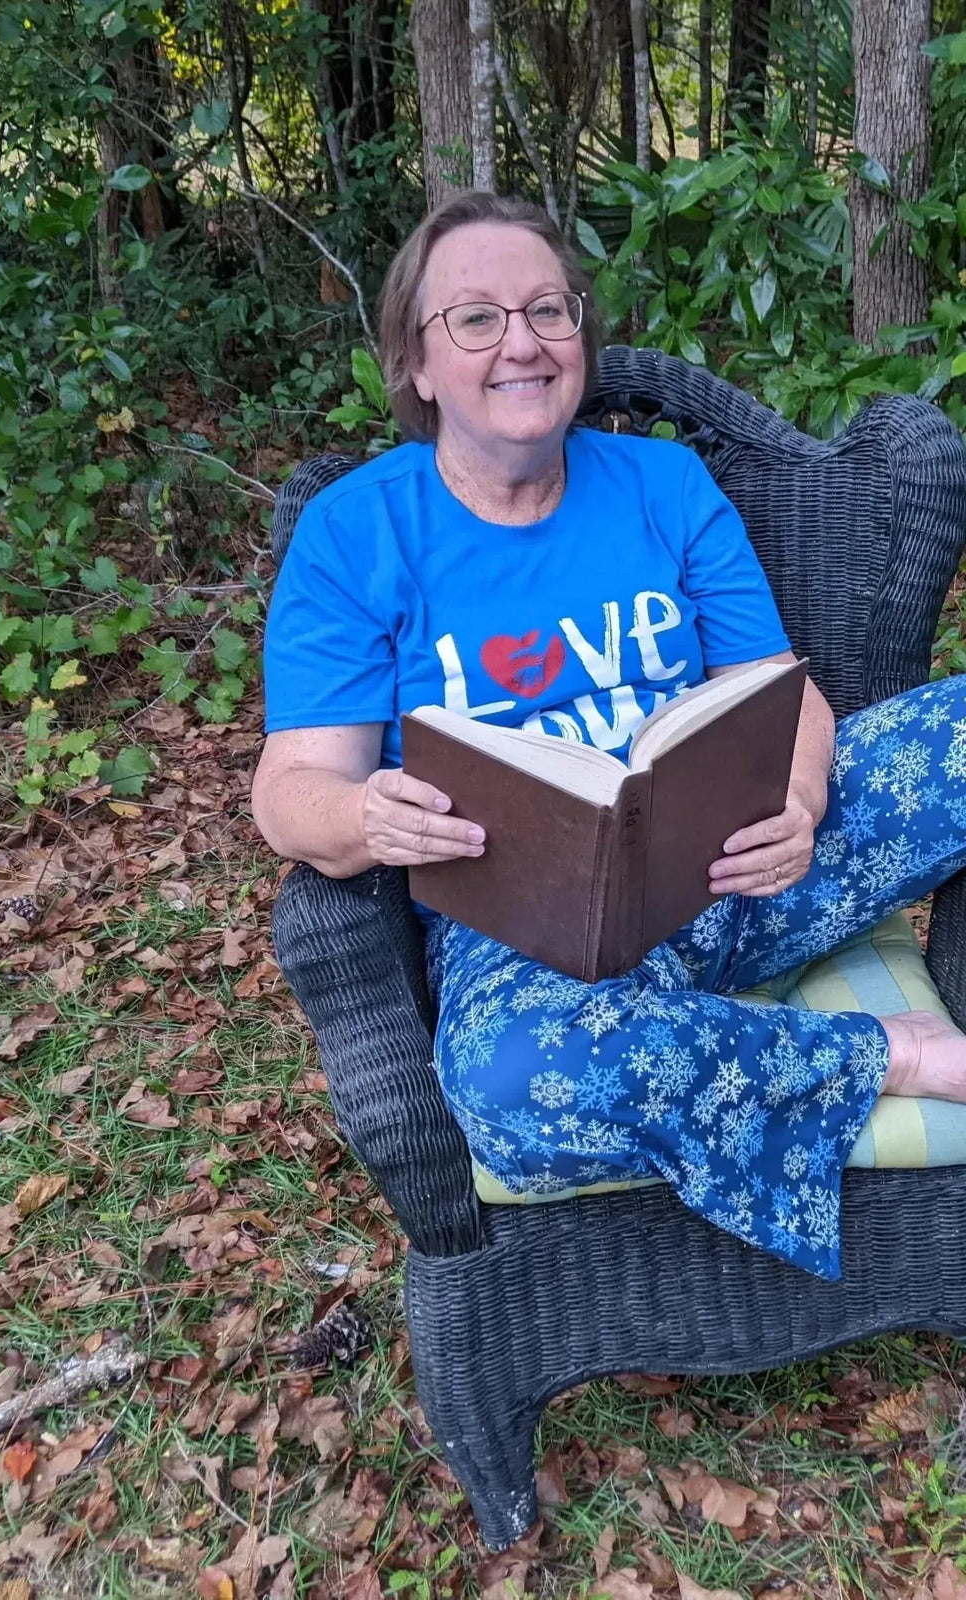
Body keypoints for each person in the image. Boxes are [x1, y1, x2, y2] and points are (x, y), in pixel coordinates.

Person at [253, 188, 966, 1281]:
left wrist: (801, 800)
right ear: (418, 363)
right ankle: (884, 1055)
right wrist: (362, 814)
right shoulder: (357, 533)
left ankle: (693, 1033)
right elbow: (291, 790)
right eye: (477, 318)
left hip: (743, 866)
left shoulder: (664, 485)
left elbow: (785, 690)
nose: (524, 342)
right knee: (506, 1080)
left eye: (549, 308)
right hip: (528, 936)